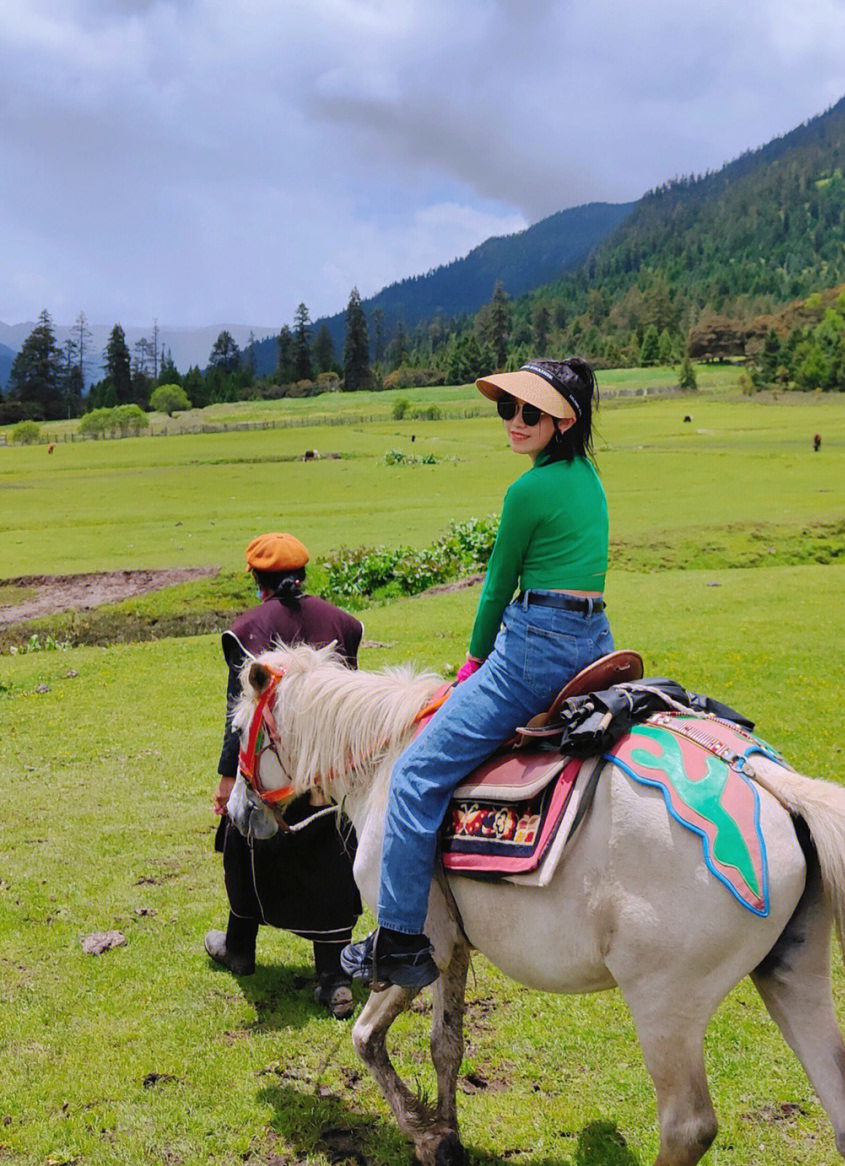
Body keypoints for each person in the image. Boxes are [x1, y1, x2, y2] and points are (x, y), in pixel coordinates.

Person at [343, 357, 613, 990]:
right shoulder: (589, 479)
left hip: (531, 651)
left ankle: (402, 940)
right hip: (592, 639)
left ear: (562, 420)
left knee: (413, 775)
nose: (514, 422)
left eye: (529, 412)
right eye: (506, 409)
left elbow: (497, 586)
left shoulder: (527, 492)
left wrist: (471, 662)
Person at [206, 532, 365, 1018]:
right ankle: (335, 977)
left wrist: (227, 775)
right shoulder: (343, 623)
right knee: (332, 854)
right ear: (304, 574)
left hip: (269, 769)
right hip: (326, 772)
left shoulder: (246, 628)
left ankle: (239, 947)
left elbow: (243, 715)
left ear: (257, 579)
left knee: (241, 841)